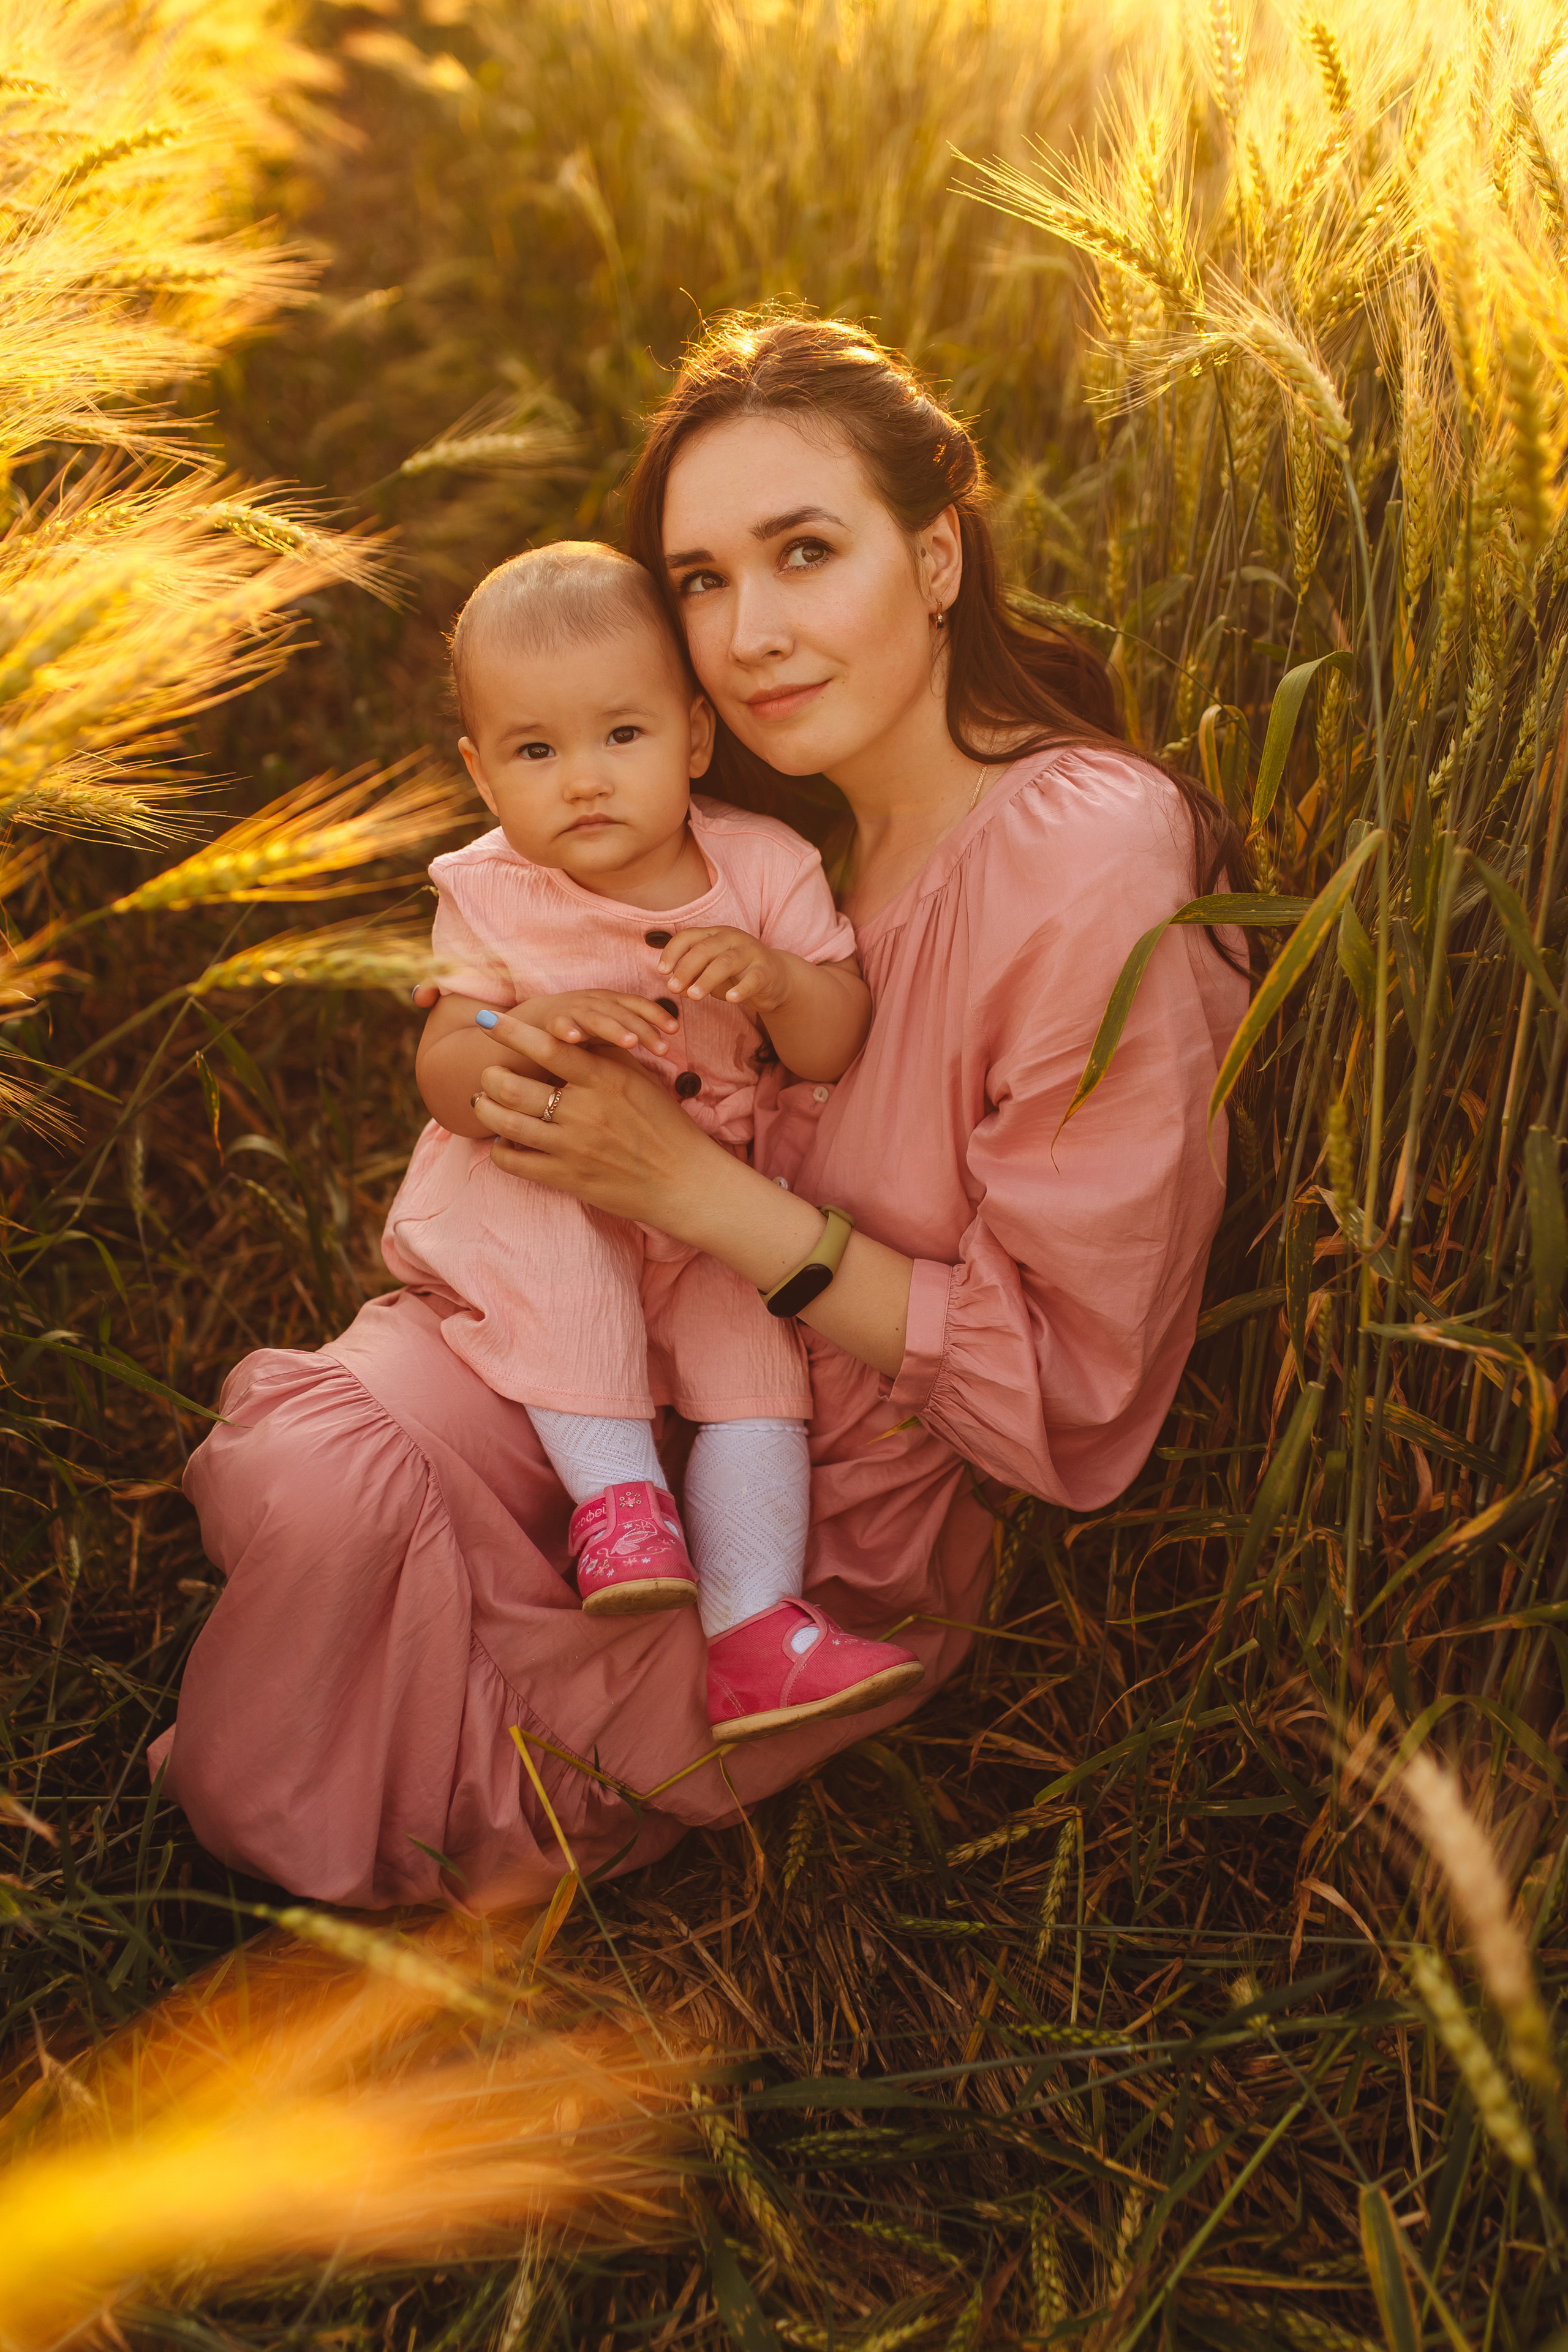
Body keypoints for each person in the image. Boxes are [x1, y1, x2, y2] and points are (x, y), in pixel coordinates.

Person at [148, 313, 1250, 1912]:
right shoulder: (763, 832)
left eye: (806, 552)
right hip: (596, 1353)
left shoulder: (1084, 857)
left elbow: (1071, 1389)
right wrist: (518, 1066)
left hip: (813, 1504)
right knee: (317, 1483)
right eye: (704, 583)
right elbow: (491, 993)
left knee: (411, 1791)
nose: (749, 633)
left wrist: (695, 1192)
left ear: (937, 557)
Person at [387, 538, 921, 1741]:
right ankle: (619, 1505)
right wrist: (517, 1027)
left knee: (755, 1377)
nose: (581, 780)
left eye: (619, 738)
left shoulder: (764, 869)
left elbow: (834, 1040)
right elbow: (445, 1060)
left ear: (692, 737)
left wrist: (781, 984)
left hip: (713, 1197)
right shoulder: (486, 892)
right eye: (535, 751)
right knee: (566, 1286)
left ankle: (752, 1630)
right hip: (544, 1192)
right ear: (481, 774)